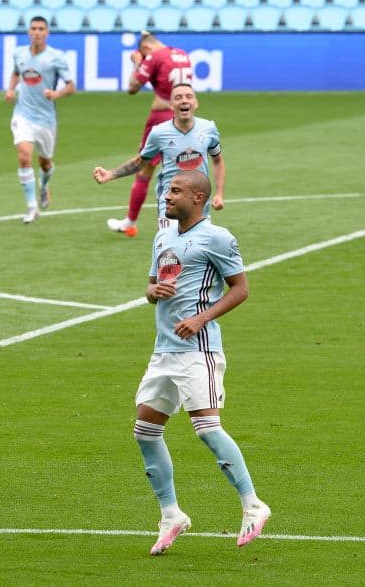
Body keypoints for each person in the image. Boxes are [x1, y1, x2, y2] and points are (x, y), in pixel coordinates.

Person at [131, 169, 270, 556]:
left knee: (207, 428)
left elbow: (241, 289)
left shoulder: (217, 238)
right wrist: (152, 291)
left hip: (199, 350)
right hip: (164, 351)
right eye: (167, 189)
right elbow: (151, 288)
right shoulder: (163, 235)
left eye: (175, 190)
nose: (167, 195)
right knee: (145, 431)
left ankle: (253, 504)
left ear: (198, 198)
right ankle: (171, 514)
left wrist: (202, 317)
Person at [94, 82, 224, 232]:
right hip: (170, 206)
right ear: (171, 105)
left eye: (189, 96)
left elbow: (218, 161)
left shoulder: (209, 129)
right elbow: (141, 162)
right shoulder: (158, 133)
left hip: (200, 206)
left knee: (198, 254)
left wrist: (219, 194)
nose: (184, 100)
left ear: (195, 103)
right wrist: (111, 174)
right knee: (169, 254)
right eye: (178, 97)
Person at [106, 31, 193, 238]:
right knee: (181, 167)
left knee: (144, 167)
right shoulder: (182, 54)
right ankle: (191, 221)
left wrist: (137, 63)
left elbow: (132, 88)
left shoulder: (155, 57)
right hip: (184, 116)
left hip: (161, 117)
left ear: (146, 49)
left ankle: (131, 222)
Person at [4, 16, 75, 224]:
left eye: (41, 29)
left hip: (46, 119)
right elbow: (16, 72)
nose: (37, 32)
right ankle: (31, 206)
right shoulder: (19, 54)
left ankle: (44, 186)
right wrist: (10, 89)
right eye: (33, 28)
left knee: (45, 163)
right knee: (24, 156)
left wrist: (57, 94)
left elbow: (71, 86)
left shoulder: (56, 57)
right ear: (28, 32)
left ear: (47, 33)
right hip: (23, 114)